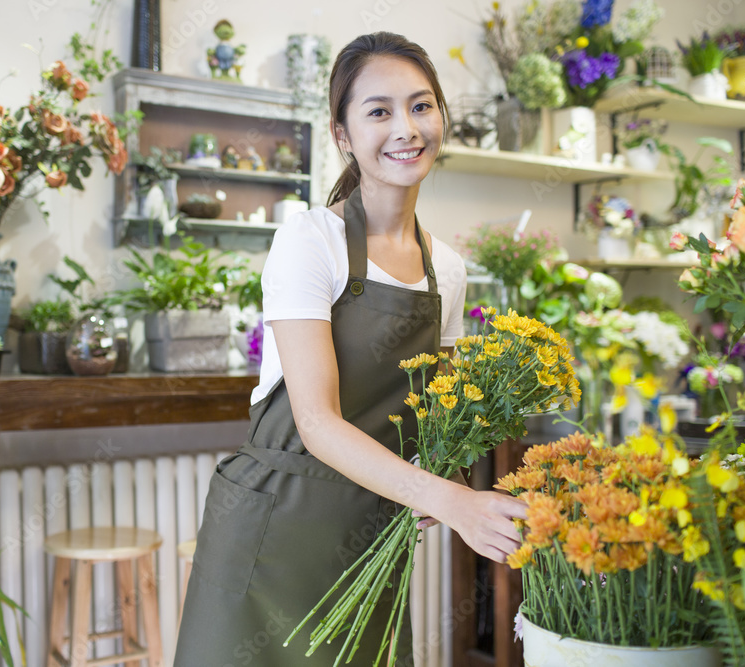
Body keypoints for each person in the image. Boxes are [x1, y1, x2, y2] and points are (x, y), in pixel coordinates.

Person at [174, 32, 527, 666]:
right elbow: (316, 422)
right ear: (342, 134)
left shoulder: (445, 268)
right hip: (274, 530)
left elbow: (432, 409)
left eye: (422, 106)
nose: (406, 128)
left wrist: (439, 473)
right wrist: (449, 501)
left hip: (369, 533)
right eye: (379, 111)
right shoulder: (311, 240)